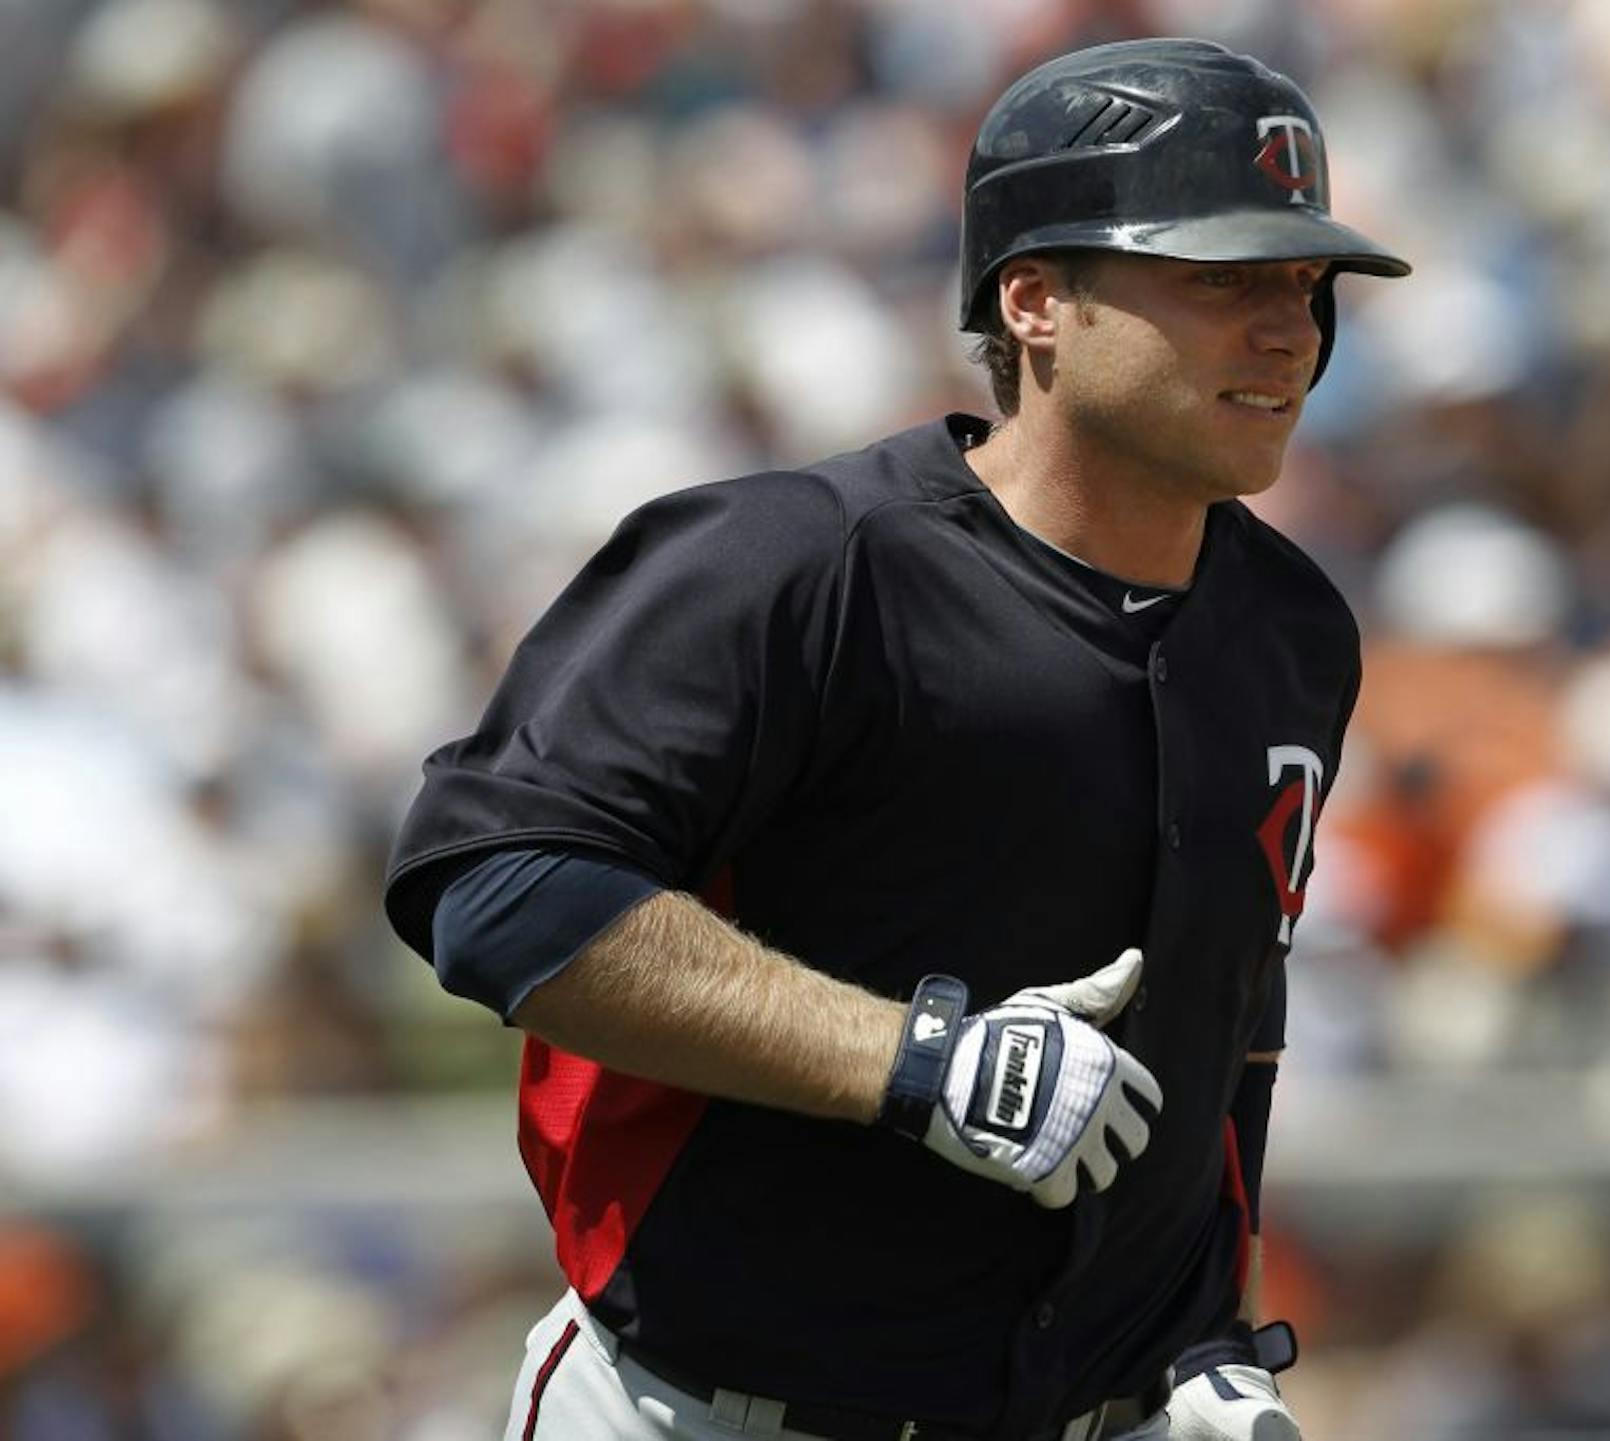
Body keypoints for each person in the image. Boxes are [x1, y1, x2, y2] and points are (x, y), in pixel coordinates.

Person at [383, 36, 1407, 1441]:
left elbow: (1230, 1016)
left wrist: (1202, 1331)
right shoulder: (799, 564)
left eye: (1303, 283)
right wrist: (910, 1060)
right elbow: (495, 890)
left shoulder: (1291, 630)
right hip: (709, 1409)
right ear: (1035, 300)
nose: (1291, 331)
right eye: (1223, 280)